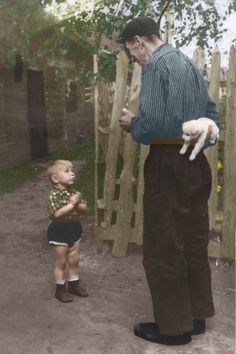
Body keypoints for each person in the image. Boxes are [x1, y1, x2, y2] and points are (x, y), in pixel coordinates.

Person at [119, 16, 220, 346]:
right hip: (196, 162)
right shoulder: (187, 64)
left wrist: (133, 123)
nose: (134, 59)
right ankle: (196, 316)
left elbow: (156, 125)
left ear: (138, 41)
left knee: (164, 244)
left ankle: (174, 329)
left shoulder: (155, 66)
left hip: (168, 163)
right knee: (192, 239)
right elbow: (211, 115)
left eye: (131, 51)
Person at [47, 160, 88, 303]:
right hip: (59, 230)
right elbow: (56, 214)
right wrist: (71, 204)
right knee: (62, 261)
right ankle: (60, 289)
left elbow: (83, 211)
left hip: (74, 228)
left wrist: (79, 205)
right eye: (67, 171)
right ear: (55, 178)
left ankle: (73, 285)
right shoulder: (54, 195)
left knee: (74, 260)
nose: (72, 174)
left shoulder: (75, 193)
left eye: (72, 171)